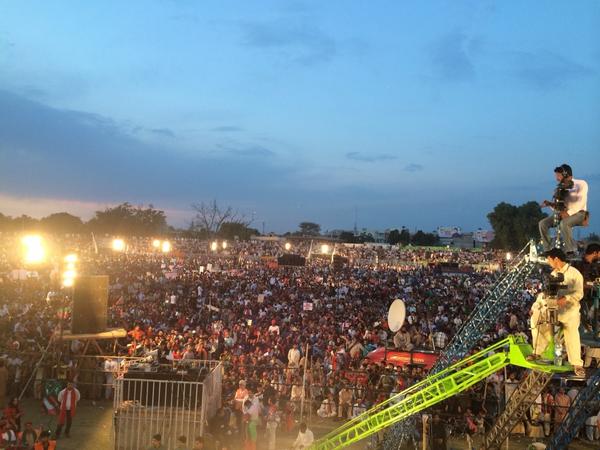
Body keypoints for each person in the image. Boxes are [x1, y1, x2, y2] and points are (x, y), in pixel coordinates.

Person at [529, 248, 585, 376]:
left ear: (556, 259)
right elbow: (545, 293)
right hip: (553, 309)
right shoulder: (553, 274)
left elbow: (579, 293)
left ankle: (577, 364)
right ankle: (537, 351)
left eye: (549, 259)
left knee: (571, 331)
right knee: (536, 318)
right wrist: (535, 306)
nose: (548, 262)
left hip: (570, 311)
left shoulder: (574, 274)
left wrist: (566, 298)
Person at [539, 164, 588, 255]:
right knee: (543, 224)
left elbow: (580, 203)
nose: (557, 179)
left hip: (580, 214)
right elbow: (560, 207)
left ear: (566, 175)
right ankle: (548, 250)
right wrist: (550, 204)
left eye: (558, 176)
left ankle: (571, 250)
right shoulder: (560, 188)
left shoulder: (581, 184)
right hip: (564, 213)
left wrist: (568, 213)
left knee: (564, 223)